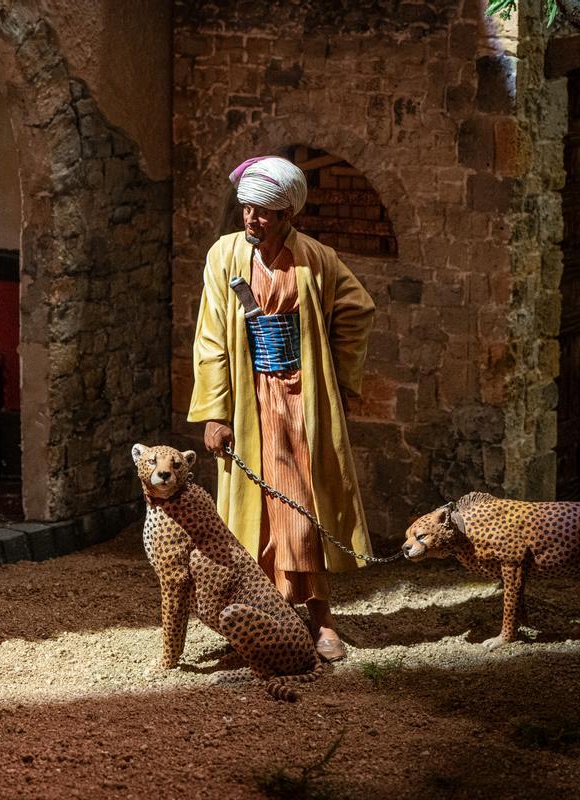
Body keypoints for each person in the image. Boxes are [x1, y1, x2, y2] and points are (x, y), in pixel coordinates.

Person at [188, 156, 375, 663]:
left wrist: (338, 378)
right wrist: (216, 412)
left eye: (264, 212)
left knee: (298, 507)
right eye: (246, 209)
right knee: (249, 516)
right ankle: (254, 620)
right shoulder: (224, 256)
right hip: (249, 402)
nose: (251, 220)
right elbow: (210, 339)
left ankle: (320, 620)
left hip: (299, 399)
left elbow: (358, 309)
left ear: (288, 215)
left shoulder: (317, 259)